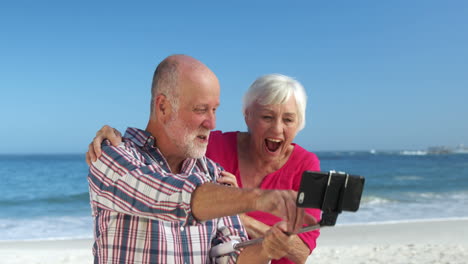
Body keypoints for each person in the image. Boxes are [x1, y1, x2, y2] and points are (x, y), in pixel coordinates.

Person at [87, 54, 315, 264]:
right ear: (163, 107)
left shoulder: (214, 173)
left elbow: (230, 256)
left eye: (215, 110)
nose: (212, 123)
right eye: (200, 109)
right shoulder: (110, 156)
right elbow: (164, 196)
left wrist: (267, 249)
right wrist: (258, 199)